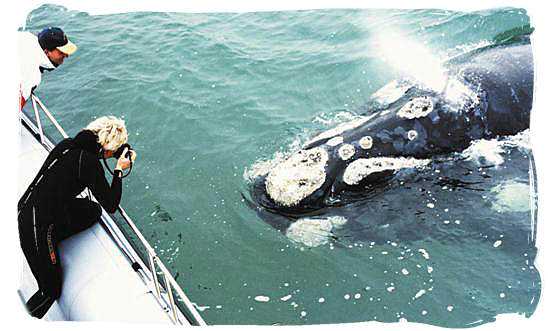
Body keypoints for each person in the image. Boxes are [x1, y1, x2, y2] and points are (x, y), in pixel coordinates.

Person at [17, 116, 137, 318]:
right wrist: (118, 170)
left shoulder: (67, 145)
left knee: (92, 211)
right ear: (107, 148)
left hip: (26, 209)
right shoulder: (88, 163)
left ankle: (51, 238)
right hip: (36, 227)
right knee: (51, 289)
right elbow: (111, 204)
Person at [18, 27, 77, 111]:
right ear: (46, 52)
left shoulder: (24, 37)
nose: (66, 55)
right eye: (61, 52)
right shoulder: (31, 75)